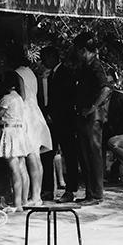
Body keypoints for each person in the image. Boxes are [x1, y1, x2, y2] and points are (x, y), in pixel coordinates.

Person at [73, 32, 111, 205]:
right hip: (85, 115)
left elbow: (106, 89)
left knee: (93, 154)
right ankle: (91, 193)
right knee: (85, 155)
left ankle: (96, 194)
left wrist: (93, 108)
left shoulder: (96, 66)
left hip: (92, 117)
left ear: (83, 50)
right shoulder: (85, 67)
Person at [39, 46, 80, 203]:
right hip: (54, 120)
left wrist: (57, 114)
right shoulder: (51, 75)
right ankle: (48, 189)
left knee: (69, 155)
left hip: (65, 120)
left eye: (45, 59)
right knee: (48, 153)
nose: (43, 62)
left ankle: (70, 190)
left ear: (52, 57)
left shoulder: (65, 73)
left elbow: (67, 98)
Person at [16, 65, 53, 203]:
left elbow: (22, 95)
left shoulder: (18, 73)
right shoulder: (31, 72)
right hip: (35, 111)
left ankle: (34, 196)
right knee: (36, 155)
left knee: (31, 155)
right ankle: (37, 194)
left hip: (26, 113)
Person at [0, 71, 30, 212]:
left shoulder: (7, 99)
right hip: (19, 133)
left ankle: (17, 203)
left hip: (10, 133)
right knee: (22, 167)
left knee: (14, 169)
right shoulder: (19, 98)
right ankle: (24, 200)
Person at [104, 69, 123, 183]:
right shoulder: (96, 97)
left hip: (117, 133)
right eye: (106, 83)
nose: (109, 86)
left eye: (111, 83)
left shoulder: (122, 98)